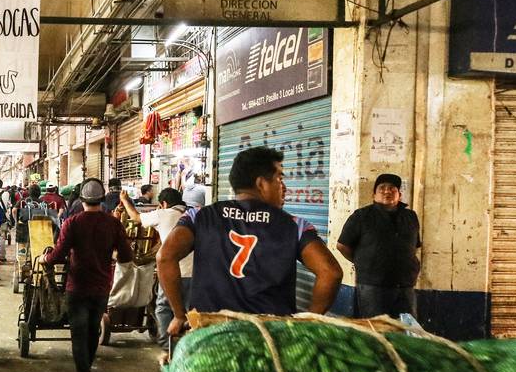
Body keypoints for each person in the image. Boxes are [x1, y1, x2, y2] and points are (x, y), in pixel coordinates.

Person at [157, 146, 342, 344]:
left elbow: (165, 257)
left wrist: (179, 314)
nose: (284, 187)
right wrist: (309, 321)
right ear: (261, 184)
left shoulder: (200, 216)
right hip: (270, 338)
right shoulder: (294, 225)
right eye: (279, 179)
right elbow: (331, 272)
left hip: (208, 335)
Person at [37, 178, 133, 372]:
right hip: (101, 288)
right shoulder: (113, 224)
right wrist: (111, 256)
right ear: (102, 199)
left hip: (77, 287)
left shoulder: (73, 223)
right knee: (92, 332)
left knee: (78, 335)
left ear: (81, 200)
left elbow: (58, 255)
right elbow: (126, 255)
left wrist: (44, 259)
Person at [336, 173, 421, 318]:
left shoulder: (410, 217)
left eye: (392, 188)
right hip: (372, 286)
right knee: (375, 327)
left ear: (399, 195)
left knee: (407, 327)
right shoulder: (361, 216)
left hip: (405, 285)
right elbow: (342, 245)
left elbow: (415, 245)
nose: (387, 191)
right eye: (382, 188)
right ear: (373, 195)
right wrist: (362, 261)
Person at [122, 187, 186, 357]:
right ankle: (188, 344)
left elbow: (135, 217)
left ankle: (168, 346)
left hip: (173, 270)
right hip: (195, 272)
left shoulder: (163, 214)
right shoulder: (190, 214)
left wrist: (125, 201)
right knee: (189, 308)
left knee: (163, 307)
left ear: (163, 203)